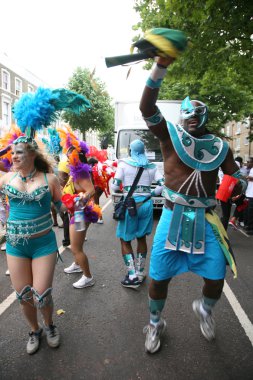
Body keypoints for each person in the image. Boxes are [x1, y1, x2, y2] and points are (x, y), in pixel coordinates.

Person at [139, 56, 247, 353]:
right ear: (181, 115)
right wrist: (160, 66)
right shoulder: (169, 136)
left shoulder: (219, 146)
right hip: (172, 218)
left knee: (216, 276)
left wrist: (240, 182)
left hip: (206, 220)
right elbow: (147, 108)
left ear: (204, 116)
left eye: (196, 113)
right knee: (159, 278)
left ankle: (205, 308)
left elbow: (233, 174)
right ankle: (154, 322)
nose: (190, 116)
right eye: (186, 112)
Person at [0, 136, 62, 355]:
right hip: (16, 246)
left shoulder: (50, 179)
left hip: (43, 245)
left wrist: (78, 205)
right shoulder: (6, 179)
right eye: (12, 152)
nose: (13, 156)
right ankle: (34, 330)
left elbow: (61, 208)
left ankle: (49, 325)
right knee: (24, 295)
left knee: (41, 293)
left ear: (33, 154)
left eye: (19, 152)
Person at [111, 139, 164, 289]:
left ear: (130, 150)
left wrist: (120, 190)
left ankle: (132, 276)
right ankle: (140, 272)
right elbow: (163, 184)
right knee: (141, 238)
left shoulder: (123, 164)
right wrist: (152, 193)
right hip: (147, 204)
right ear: (144, 150)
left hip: (130, 204)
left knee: (125, 240)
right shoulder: (152, 166)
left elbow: (115, 186)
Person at [59, 130, 101, 289]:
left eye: (70, 153)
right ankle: (77, 265)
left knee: (76, 247)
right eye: (67, 152)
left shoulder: (81, 173)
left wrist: (81, 198)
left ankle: (88, 277)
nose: (67, 155)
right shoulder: (75, 171)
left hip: (80, 214)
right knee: (76, 244)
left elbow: (91, 190)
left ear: (76, 155)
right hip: (76, 213)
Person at [58, 160, 71, 246]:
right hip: (65, 192)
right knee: (65, 215)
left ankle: (67, 239)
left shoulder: (64, 163)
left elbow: (62, 180)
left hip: (69, 193)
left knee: (66, 216)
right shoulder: (63, 163)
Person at [244, 157, 253, 234]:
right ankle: (248, 226)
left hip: (252, 194)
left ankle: (250, 228)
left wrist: (248, 177)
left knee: (251, 211)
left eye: (249, 162)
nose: (247, 163)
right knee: (247, 211)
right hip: (249, 193)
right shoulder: (251, 169)